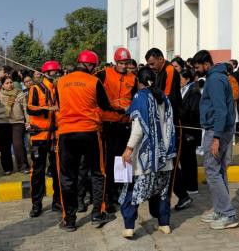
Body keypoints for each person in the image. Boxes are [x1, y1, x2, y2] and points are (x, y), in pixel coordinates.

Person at [55, 50, 121, 231]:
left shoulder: (60, 82)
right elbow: (105, 106)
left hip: (66, 134)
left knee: (67, 177)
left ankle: (69, 219)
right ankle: (97, 214)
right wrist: (121, 109)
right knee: (98, 173)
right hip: (90, 133)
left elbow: (58, 105)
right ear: (91, 65)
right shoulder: (94, 81)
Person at [119, 67, 177, 238]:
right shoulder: (163, 97)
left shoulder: (140, 97)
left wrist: (128, 149)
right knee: (162, 191)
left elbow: (138, 128)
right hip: (164, 156)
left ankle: (129, 227)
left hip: (145, 157)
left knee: (133, 190)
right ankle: (164, 224)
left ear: (139, 81)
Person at [193, 50, 239, 230]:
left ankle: (228, 214)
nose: (196, 71)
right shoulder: (218, 77)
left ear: (206, 63)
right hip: (219, 130)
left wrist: (216, 138)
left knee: (212, 172)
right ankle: (221, 210)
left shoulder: (215, 80)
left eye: (197, 67)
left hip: (216, 131)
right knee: (219, 171)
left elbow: (220, 110)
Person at [145, 48, 191, 211]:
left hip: (173, 123)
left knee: (171, 162)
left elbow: (166, 98)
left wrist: (152, 92)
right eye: (148, 65)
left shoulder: (170, 70)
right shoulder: (158, 72)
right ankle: (182, 196)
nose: (151, 67)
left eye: (152, 63)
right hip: (163, 123)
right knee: (167, 162)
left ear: (160, 59)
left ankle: (167, 201)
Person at [96, 47, 137, 213]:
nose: (123, 66)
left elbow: (135, 98)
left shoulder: (133, 79)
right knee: (108, 160)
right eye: (120, 63)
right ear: (115, 62)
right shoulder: (103, 74)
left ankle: (120, 193)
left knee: (123, 159)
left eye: (126, 63)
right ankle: (108, 195)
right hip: (108, 123)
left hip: (124, 124)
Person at [27, 61, 63, 217]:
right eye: (56, 73)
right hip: (40, 136)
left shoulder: (60, 89)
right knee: (38, 171)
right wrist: (46, 109)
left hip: (56, 135)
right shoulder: (35, 89)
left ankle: (57, 201)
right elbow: (30, 108)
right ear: (49, 74)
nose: (59, 75)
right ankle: (36, 203)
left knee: (57, 169)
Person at [0, 76, 28, 174]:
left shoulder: (20, 94)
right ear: (2, 85)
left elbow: (26, 110)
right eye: (7, 83)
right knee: (4, 147)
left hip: (17, 122)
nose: (10, 84)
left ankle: (23, 166)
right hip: (2, 123)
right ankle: (7, 168)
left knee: (18, 145)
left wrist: (28, 121)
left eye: (11, 82)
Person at [178, 68, 201, 193]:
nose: (179, 81)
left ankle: (192, 186)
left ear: (187, 79)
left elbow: (193, 111)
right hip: (184, 130)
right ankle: (187, 184)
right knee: (185, 159)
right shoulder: (184, 90)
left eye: (180, 79)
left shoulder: (194, 92)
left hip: (190, 131)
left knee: (190, 160)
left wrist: (179, 113)